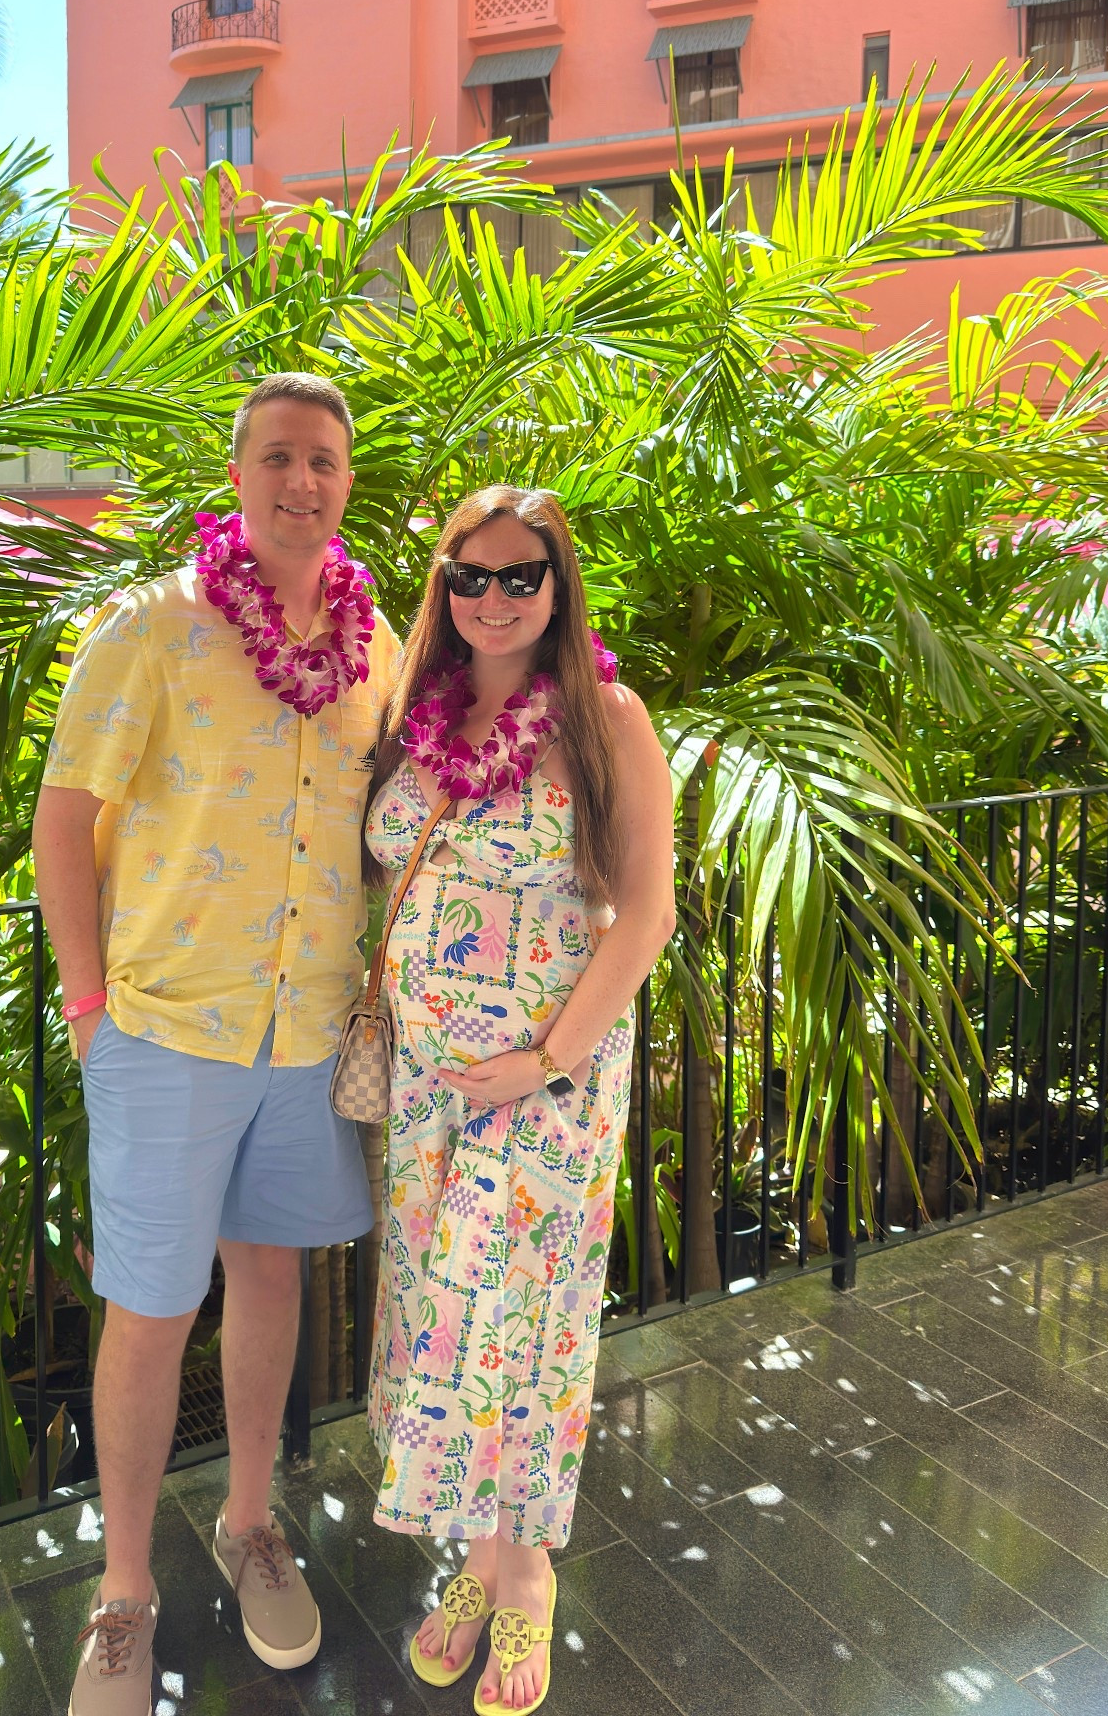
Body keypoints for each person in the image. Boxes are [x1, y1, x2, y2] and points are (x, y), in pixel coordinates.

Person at [33, 372, 401, 1714]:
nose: (305, 483)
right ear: (237, 473)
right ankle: (122, 1591)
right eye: (281, 458)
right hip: (168, 1028)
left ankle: (252, 1522)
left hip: (307, 1029)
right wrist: (89, 1006)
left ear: (347, 482)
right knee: (146, 1312)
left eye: (327, 462)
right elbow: (64, 818)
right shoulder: (153, 629)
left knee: (271, 1283)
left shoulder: (379, 647)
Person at [363, 486, 676, 1714]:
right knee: (446, 1324)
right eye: (470, 577)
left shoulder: (607, 718)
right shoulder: (416, 714)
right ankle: (482, 1556)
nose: (494, 599)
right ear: (442, 587)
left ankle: (525, 1573)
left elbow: (644, 912)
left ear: (559, 583)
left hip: (548, 1082)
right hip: (431, 1085)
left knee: (520, 1323)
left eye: (521, 575)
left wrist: (545, 1057)